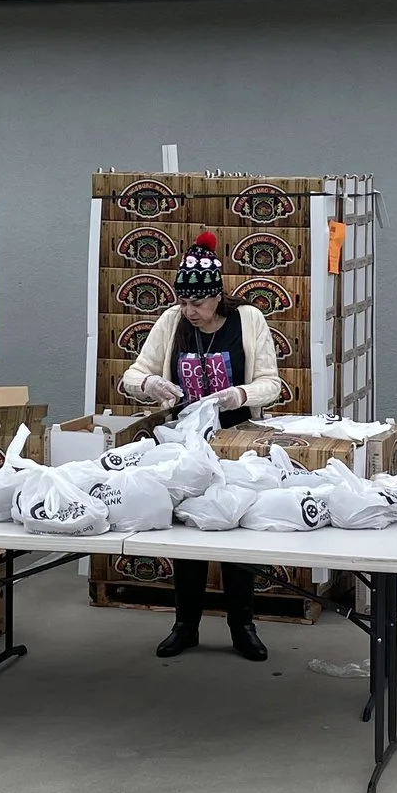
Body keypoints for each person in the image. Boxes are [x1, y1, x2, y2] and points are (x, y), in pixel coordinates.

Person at [116, 230, 284, 662]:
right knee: (187, 528)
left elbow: (272, 382)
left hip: (238, 440)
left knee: (236, 531)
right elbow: (131, 377)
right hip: (184, 444)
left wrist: (239, 395)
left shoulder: (248, 321)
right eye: (184, 302)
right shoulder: (171, 322)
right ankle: (185, 624)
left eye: (199, 303)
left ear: (217, 296)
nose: (190, 311)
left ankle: (242, 625)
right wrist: (151, 383)